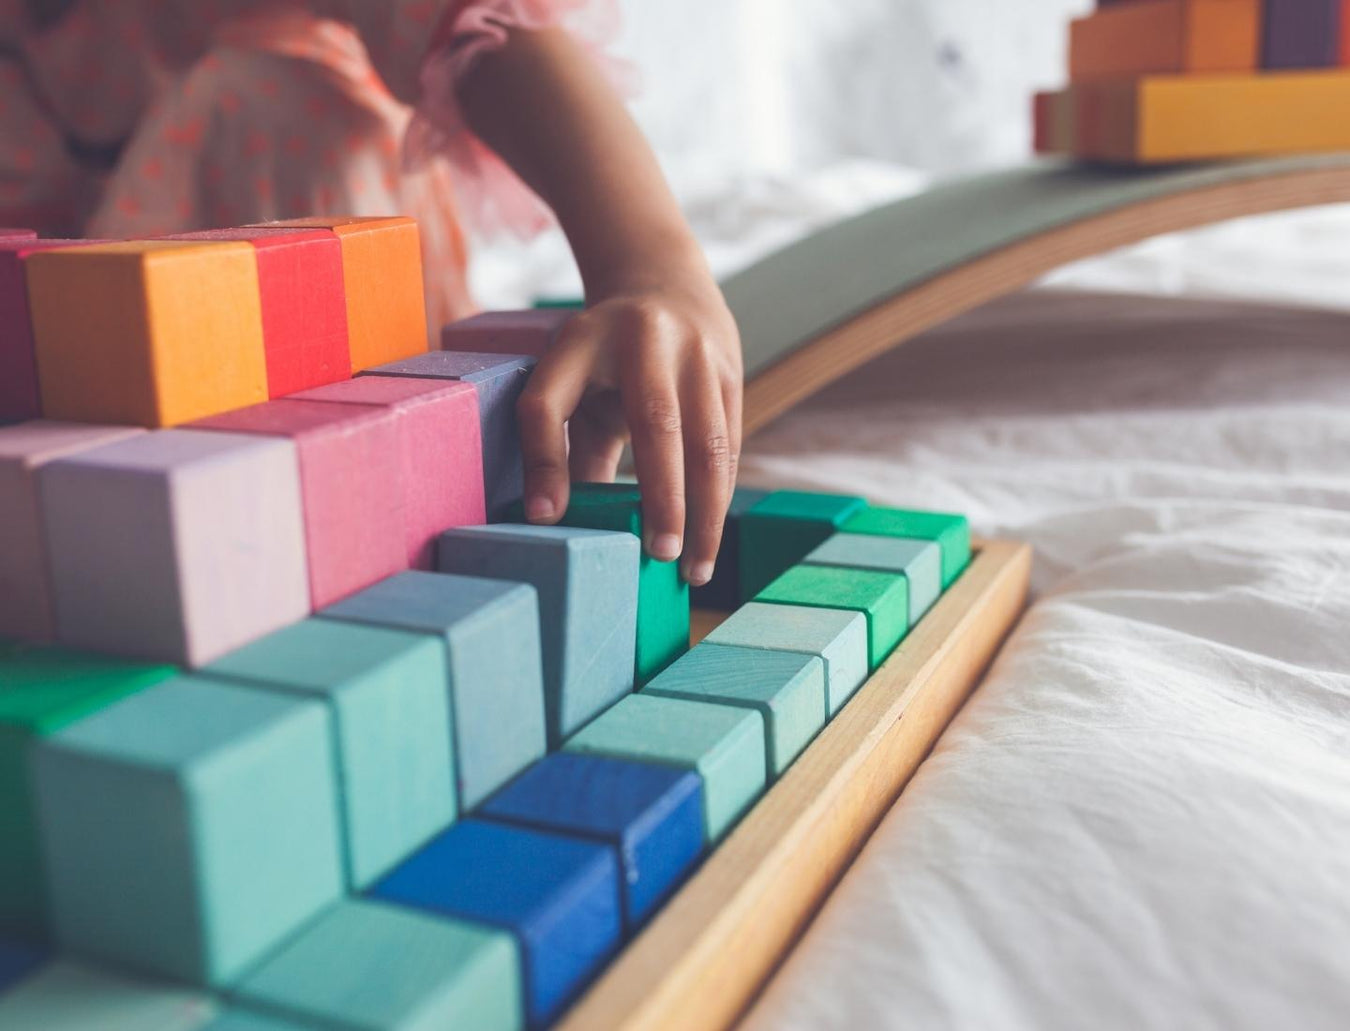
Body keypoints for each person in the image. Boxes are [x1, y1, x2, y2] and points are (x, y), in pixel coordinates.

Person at [0, 0, 741, 587]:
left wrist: (649, 263)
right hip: (101, 369)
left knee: (265, 99)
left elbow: (460, 20)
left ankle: (379, 501)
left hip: (339, 281)